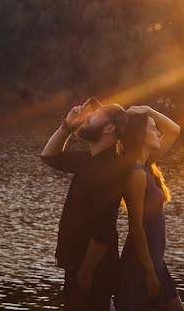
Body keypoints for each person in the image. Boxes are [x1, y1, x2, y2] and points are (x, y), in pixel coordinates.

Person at [40, 99, 130, 311]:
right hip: (77, 264)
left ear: (110, 128)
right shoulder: (89, 160)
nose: (88, 115)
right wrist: (68, 126)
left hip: (93, 271)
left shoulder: (111, 168)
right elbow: (49, 156)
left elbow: (104, 229)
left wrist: (85, 274)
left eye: (97, 114)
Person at [114, 105, 184, 311]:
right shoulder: (136, 173)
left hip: (156, 262)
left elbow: (174, 130)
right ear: (140, 135)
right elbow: (135, 226)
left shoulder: (145, 164)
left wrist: (148, 110)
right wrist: (149, 272)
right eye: (153, 128)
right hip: (140, 267)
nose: (158, 132)